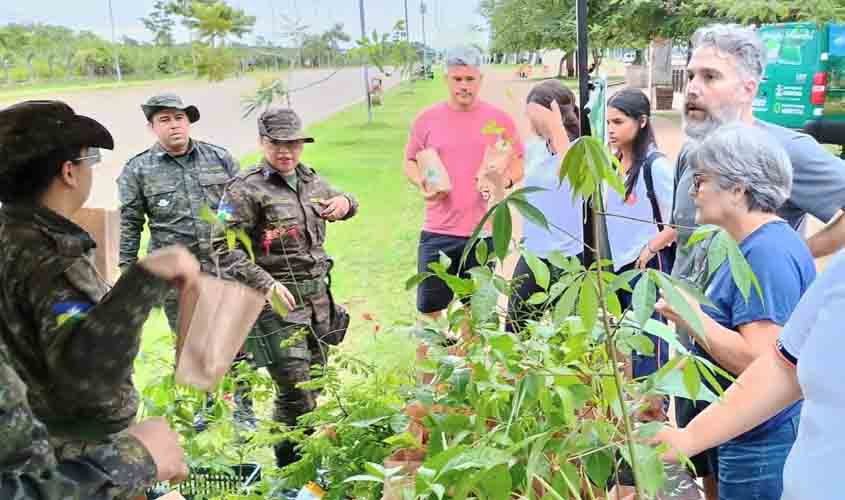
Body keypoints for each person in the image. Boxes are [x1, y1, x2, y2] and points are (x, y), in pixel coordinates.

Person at [669, 23, 844, 498]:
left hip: (752, 375)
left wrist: (805, 251)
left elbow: (774, 363)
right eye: (689, 76)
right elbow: (686, 237)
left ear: (750, 87)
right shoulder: (692, 153)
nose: (693, 89)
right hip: (699, 363)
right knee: (711, 475)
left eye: (710, 77)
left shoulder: (784, 152)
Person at [0, 100, 196, 495]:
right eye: (89, 160)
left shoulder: (8, 237)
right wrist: (144, 282)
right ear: (69, 172)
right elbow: (90, 383)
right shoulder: (52, 260)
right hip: (66, 466)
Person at [656, 124, 816, 500]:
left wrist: (691, 316)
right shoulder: (745, 244)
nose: (694, 192)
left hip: (760, 440)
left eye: (702, 180)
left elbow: (762, 362)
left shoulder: (767, 254)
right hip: (739, 431)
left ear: (738, 189)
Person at [215, 107, 357, 468]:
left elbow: (344, 201)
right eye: (277, 144)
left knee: (315, 386)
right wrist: (266, 284)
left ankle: (302, 467)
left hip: (319, 304)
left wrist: (346, 203)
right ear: (262, 142)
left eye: (293, 144)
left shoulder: (310, 180)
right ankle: (290, 471)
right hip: (278, 307)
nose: (286, 152)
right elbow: (222, 248)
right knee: (297, 395)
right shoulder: (245, 188)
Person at [655, 248, 845, 500]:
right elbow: (784, 364)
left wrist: (693, 317)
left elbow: (757, 356)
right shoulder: (838, 274)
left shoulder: (770, 256)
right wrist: (689, 438)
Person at [404, 45, 524, 321]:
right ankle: (433, 364)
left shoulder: (499, 120)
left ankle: (469, 365)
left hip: (483, 231)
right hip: (438, 231)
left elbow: (518, 161)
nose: (464, 86)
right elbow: (410, 161)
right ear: (446, 79)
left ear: (480, 80)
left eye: (470, 79)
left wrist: (502, 180)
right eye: (457, 79)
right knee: (431, 310)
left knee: (475, 312)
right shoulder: (427, 119)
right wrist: (422, 182)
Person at [118, 93, 240, 332]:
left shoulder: (220, 158)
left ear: (188, 122)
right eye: (164, 119)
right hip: (177, 277)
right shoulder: (137, 169)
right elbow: (130, 223)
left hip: (223, 267)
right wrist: (128, 273)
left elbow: (240, 203)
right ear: (151, 127)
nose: (174, 124)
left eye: (179, 117)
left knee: (235, 343)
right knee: (191, 345)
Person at [605, 88, 675, 380]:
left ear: (642, 121)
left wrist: (650, 248)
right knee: (623, 337)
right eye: (608, 122)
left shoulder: (655, 166)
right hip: (619, 265)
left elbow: (679, 223)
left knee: (649, 341)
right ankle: (630, 408)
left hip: (647, 266)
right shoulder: (611, 163)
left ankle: (654, 410)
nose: (610, 129)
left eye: (618, 122)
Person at [506, 79, 581, 333]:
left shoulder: (581, 149)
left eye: (534, 117)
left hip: (568, 258)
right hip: (533, 254)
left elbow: (569, 172)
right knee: (515, 333)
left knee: (574, 344)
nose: (530, 124)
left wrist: (555, 124)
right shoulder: (535, 148)